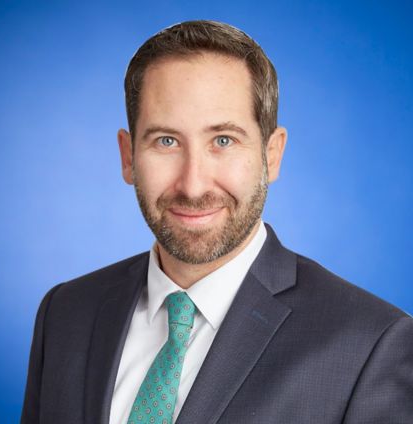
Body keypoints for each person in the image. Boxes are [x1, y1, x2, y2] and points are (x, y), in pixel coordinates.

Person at [21, 20, 413, 424]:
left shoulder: (371, 345)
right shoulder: (65, 313)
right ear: (128, 156)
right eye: (166, 141)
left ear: (272, 154)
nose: (193, 185)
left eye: (223, 140)